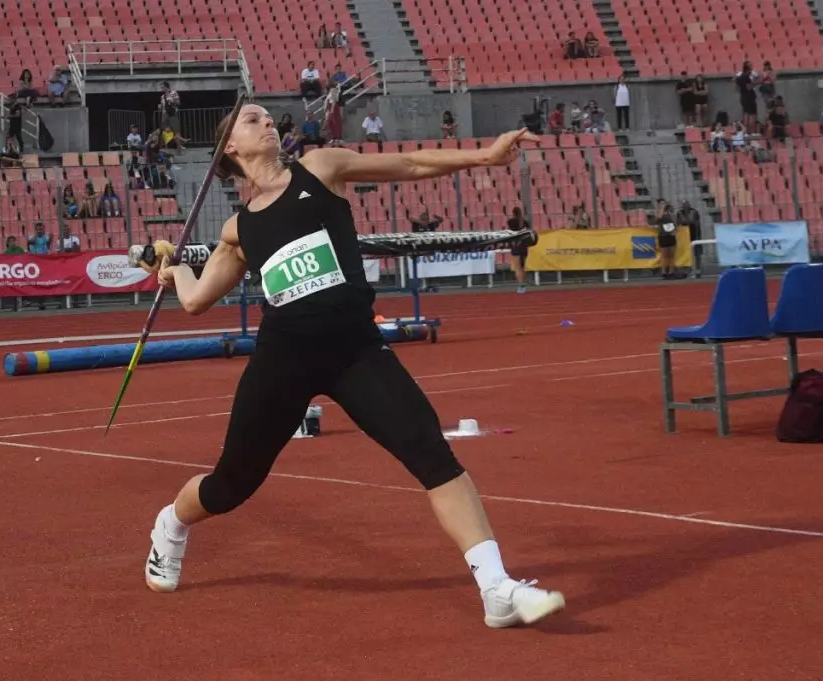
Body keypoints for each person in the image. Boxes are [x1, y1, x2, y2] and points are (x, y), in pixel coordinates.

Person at [147, 103, 565, 628]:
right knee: (231, 485)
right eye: (252, 119)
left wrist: (485, 155)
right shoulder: (238, 230)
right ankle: (171, 524)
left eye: (268, 116)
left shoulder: (321, 168)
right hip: (283, 362)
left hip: (356, 351)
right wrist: (176, 271)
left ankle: (495, 587)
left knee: (432, 454)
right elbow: (195, 300)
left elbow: (410, 166)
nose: (267, 121)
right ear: (230, 148)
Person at [507, 206, 530, 293]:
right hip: (524, 246)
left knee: (517, 268)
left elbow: (510, 232)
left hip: (516, 245)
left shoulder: (510, 221)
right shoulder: (525, 222)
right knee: (523, 267)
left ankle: (521, 285)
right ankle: (523, 283)